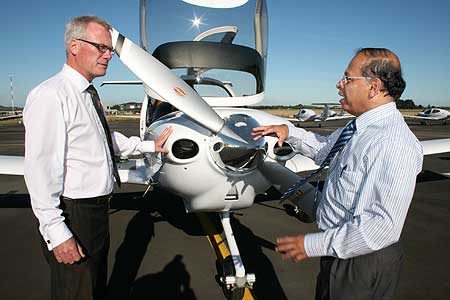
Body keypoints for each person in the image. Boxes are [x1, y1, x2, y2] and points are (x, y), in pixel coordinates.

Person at [252, 48, 423, 300]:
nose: (339, 85)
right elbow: (325, 152)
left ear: (373, 87)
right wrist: (290, 131)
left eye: (347, 78)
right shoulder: (359, 127)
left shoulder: (392, 143)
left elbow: (381, 227)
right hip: (342, 249)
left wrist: (309, 244)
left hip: (361, 260)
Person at [23, 16, 172, 300]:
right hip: (74, 213)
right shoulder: (51, 95)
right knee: (77, 292)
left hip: (95, 212)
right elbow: (41, 169)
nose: (108, 56)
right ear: (75, 46)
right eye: (101, 48)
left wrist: (149, 146)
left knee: (93, 289)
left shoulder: (87, 94)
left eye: (110, 50)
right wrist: (57, 231)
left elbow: (102, 138)